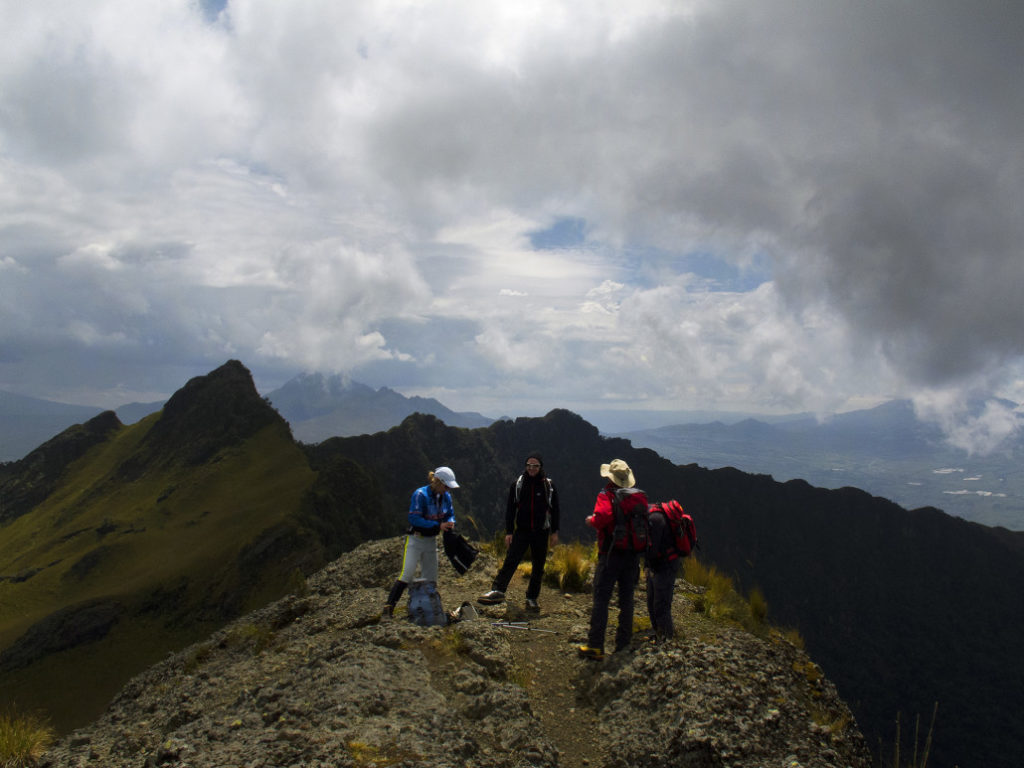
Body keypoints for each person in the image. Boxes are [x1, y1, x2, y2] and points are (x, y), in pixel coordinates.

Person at [577, 459, 648, 660]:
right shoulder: (638, 497)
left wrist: (591, 521)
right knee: (627, 600)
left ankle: (596, 646)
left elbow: (602, 518)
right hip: (632, 555)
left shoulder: (606, 495)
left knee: (601, 599)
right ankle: (623, 644)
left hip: (610, 554)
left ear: (611, 477)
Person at [478, 452, 560, 611]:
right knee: (511, 560)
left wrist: (554, 531)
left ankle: (531, 598)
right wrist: (509, 531)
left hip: (541, 531)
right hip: (522, 530)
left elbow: (555, 509)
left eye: (535, 466)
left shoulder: (548, 486)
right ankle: (498, 590)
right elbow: (510, 509)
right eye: (529, 465)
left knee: (538, 566)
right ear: (525, 466)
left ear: (540, 467)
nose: (531, 468)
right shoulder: (518, 485)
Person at [382, 466, 459, 619]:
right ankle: (388, 608)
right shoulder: (420, 495)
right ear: (438, 482)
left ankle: (428, 611)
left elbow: (450, 513)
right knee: (407, 573)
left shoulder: (446, 497)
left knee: (431, 578)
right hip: (416, 540)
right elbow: (414, 519)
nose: (448, 489)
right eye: (446, 486)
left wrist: (450, 522)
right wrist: (438, 525)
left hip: (431, 540)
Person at [644, 501, 682, 642]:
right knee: (653, 601)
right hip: (663, 564)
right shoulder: (654, 516)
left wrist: (646, 564)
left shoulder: (655, 520)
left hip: (664, 566)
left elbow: (652, 549)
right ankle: (660, 634)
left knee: (660, 604)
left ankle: (666, 639)